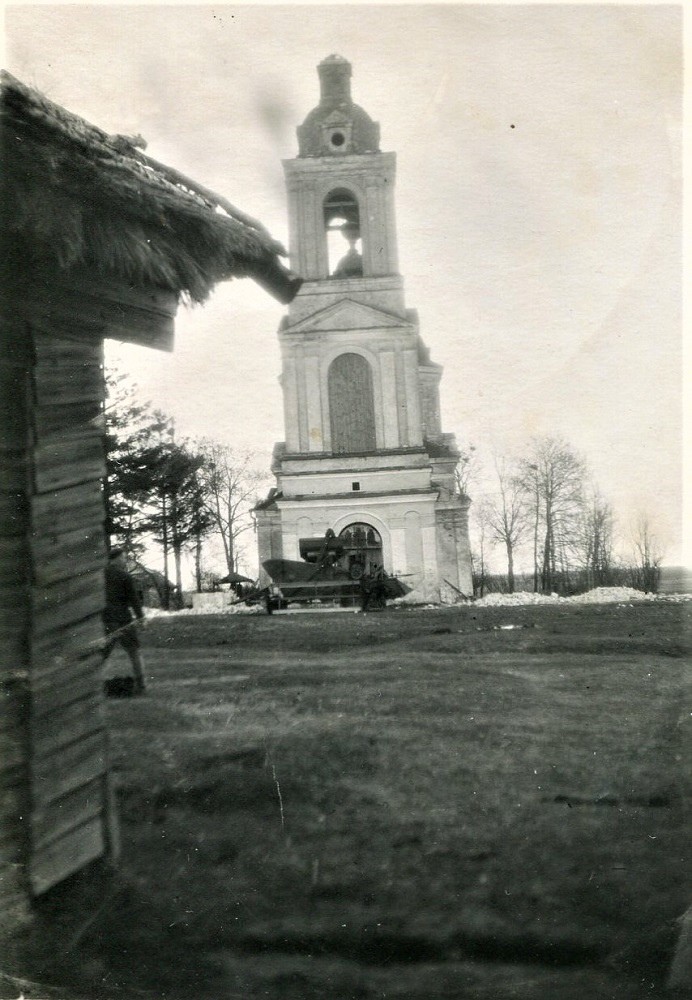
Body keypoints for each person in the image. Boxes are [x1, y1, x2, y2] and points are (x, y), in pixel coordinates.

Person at [102, 547, 146, 693]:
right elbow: (134, 599)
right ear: (116, 558)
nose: (125, 560)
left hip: (106, 619)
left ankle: (92, 686)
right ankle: (141, 685)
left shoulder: (101, 575)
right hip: (123, 620)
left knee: (102, 655)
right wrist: (141, 618)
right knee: (134, 652)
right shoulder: (125, 576)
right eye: (123, 558)